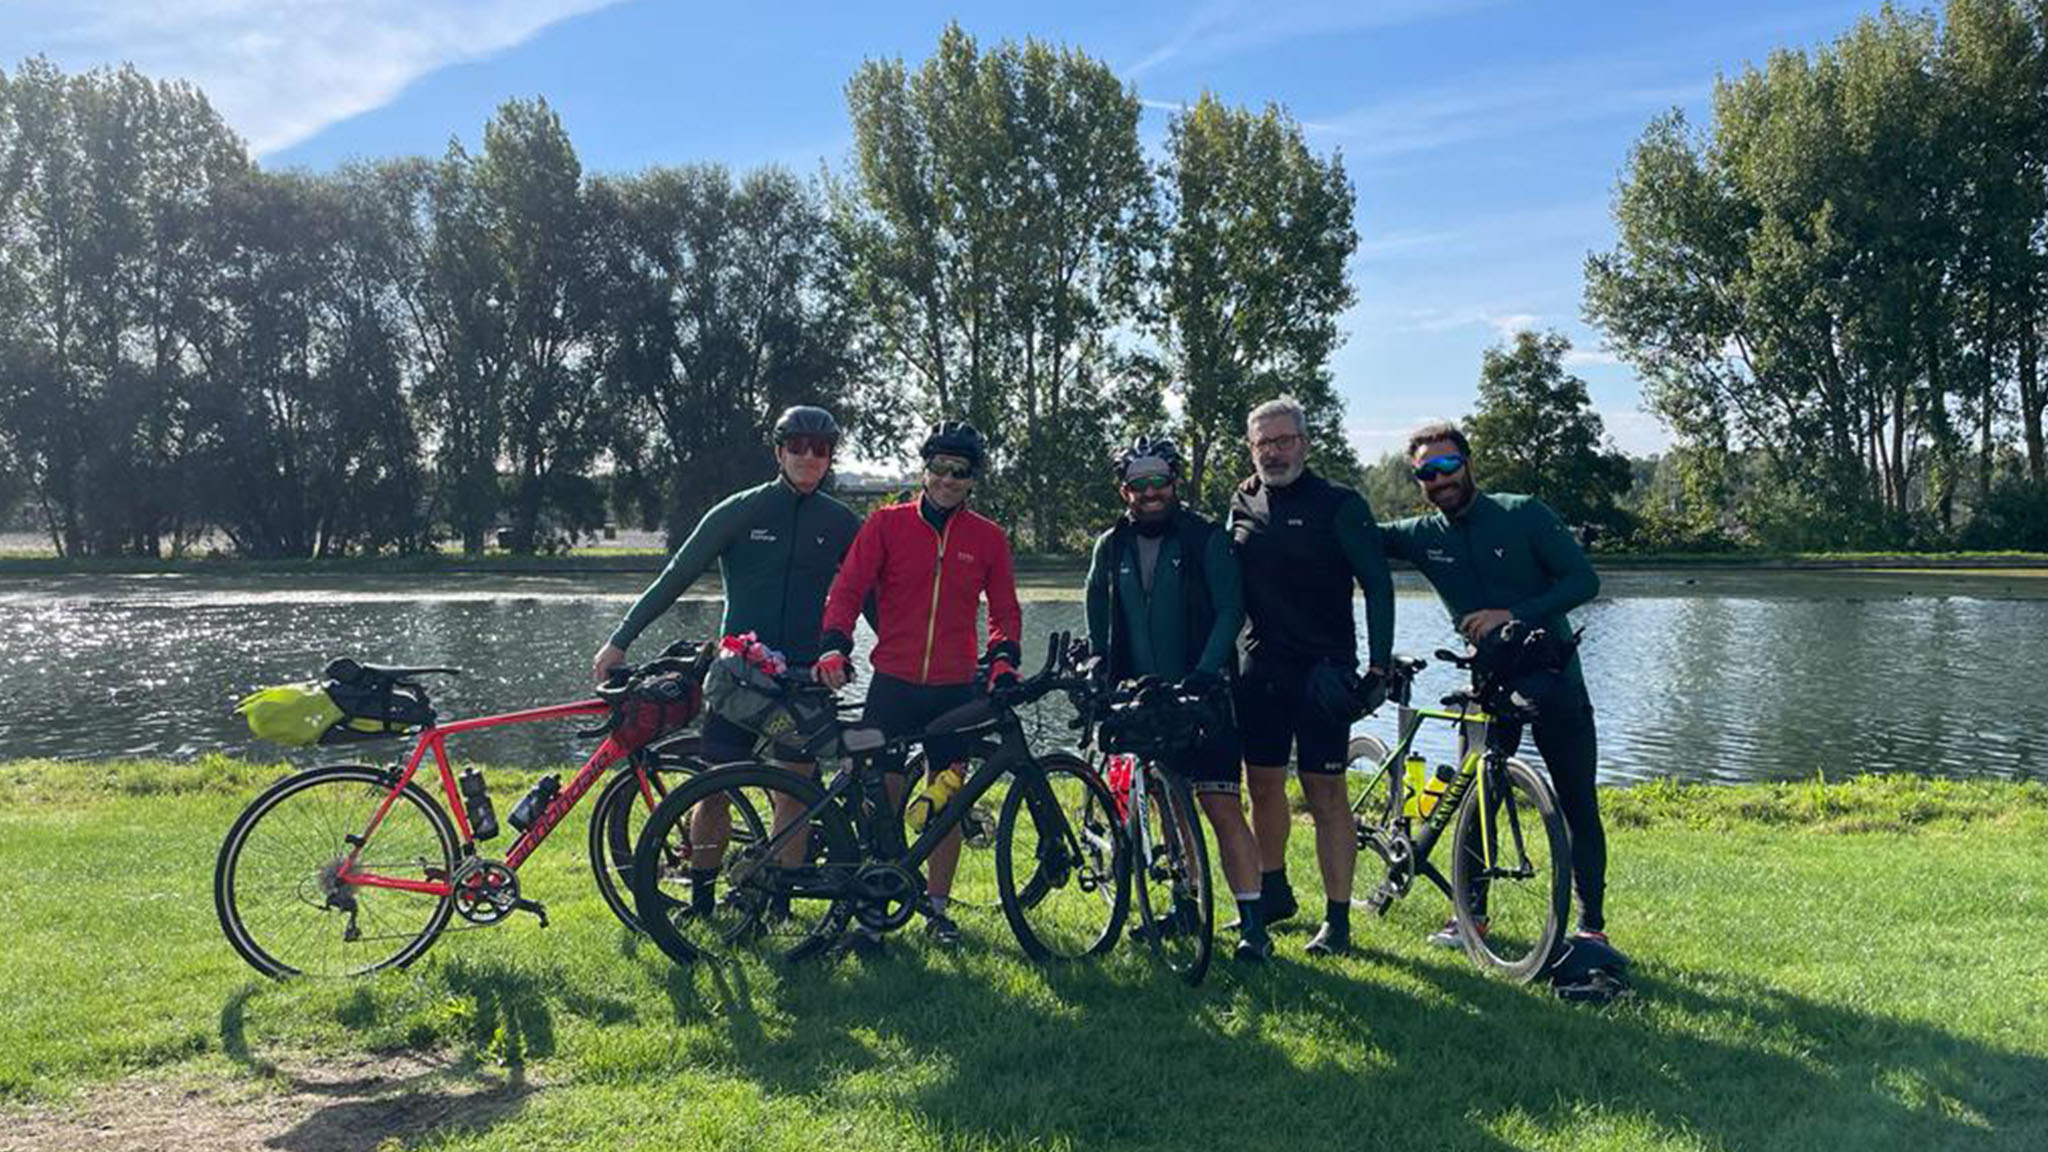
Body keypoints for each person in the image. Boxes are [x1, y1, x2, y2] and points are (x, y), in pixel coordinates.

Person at [590, 405, 860, 916]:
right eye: (797, 446)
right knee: (716, 787)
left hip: (804, 676)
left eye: (819, 449)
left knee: (796, 788)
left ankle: (779, 902)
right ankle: (703, 900)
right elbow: (677, 574)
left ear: (829, 458)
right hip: (741, 674)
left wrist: (895, 652)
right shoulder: (740, 510)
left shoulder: (841, 522)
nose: (808, 457)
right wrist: (620, 639)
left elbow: (865, 596)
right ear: (779, 451)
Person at [1378, 418, 1610, 951]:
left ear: (1469, 464)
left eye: (1447, 466)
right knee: (1475, 799)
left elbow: (1584, 580)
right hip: (1486, 685)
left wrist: (1513, 613)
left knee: (1577, 803)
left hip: (1552, 676)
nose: (1439, 480)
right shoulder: (1421, 536)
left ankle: (1590, 925)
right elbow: (1348, 532)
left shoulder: (1521, 512)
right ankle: (1470, 917)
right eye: (1426, 473)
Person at [816, 420, 1022, 949]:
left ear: (973, 478)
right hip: (894, 685)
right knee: (880, 798)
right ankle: (873, 914)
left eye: (960, 471)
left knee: (946, 800)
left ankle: (937, 910)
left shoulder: (988, 538)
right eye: (939, 467)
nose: (948, 479)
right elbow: (848, 587)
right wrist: (835, 642)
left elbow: (1003, 611)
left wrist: (1003, 660)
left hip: (953, 691)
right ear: (924, 467)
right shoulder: (887, 524)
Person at [1084, 436, 1272, 961]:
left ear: (1173, 483)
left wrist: (1206, 672)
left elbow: (1231, 610)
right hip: (1143, 697)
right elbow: (1095, 598)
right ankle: (1182, 902)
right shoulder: (1112, 544)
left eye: (1159, 482)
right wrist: (1099, 658)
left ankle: (1253, 924)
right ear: (1125, 491)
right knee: (1167, 802)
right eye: (1138, 485)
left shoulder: (1204, 538)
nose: (1150, 493)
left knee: (1220, 805)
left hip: (1203, 695)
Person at [1228, 395, 1395, 957]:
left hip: (1324, 671)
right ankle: (1273, 894)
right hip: (1260, 668)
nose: (1273, 452)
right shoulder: (1242, 500)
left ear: (1305, 443)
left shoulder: (1339, 504)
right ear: (1251, 449)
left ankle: (1338, 919)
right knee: (1262, 784)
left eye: (1283, 440)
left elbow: (1378, 584)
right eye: (1262, 443)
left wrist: (1378, 666)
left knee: (1326, 793)